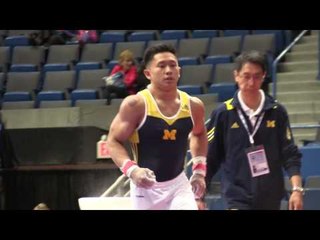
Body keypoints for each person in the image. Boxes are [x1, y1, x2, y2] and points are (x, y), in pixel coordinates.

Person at [107, 44, 208, 210]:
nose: (168, 70)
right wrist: (132, 170)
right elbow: (113, 141)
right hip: (145, 189)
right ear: (148, 74)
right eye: (161, 66)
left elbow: (199, 134)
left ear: (179, 71)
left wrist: (199, 170)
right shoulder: (136, 105)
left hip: (178, 186)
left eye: (173, 65)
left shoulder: (193, 105)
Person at [205, 50, 303, 210]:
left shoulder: (277, 111)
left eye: (257, 76)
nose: (251, 82)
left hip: (271, 195)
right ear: (236, 76)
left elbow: (290, 153)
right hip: (236, 195)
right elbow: (211, 157)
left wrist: (297, 190)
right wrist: (199, 195)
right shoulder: (223, 113)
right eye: (246, 76)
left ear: (264, 76)